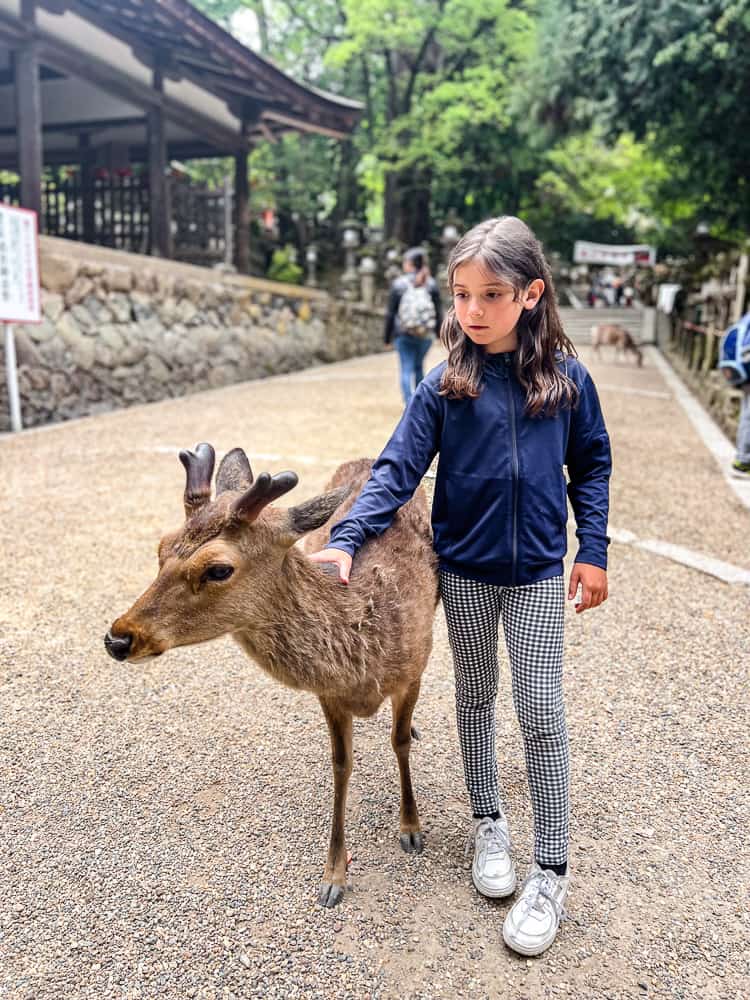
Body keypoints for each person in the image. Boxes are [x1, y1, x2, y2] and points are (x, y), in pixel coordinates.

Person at [309, 215, 612, 957]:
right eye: (462, 294)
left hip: (537, 571)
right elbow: (395, 471)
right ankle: (489, 823)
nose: (473, 310)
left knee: (540, 710)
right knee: (474, 699)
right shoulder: (445, 385)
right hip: (466, 572)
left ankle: (552, 871)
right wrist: (345, 538)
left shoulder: (568, 381)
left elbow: (592, 465)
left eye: (491, 295)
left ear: (531, 294)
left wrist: (594, 549)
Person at [385, 247, 443, 404]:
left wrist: (387, 338)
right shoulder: (431, 283)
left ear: (409, 264)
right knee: (418, 367)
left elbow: (390, 314)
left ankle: (408, 404)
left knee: (406, 368)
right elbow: (438, 311)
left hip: (403, 333)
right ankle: (420, 403)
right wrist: (439, 334)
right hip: (425, 334)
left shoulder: (399, 284)